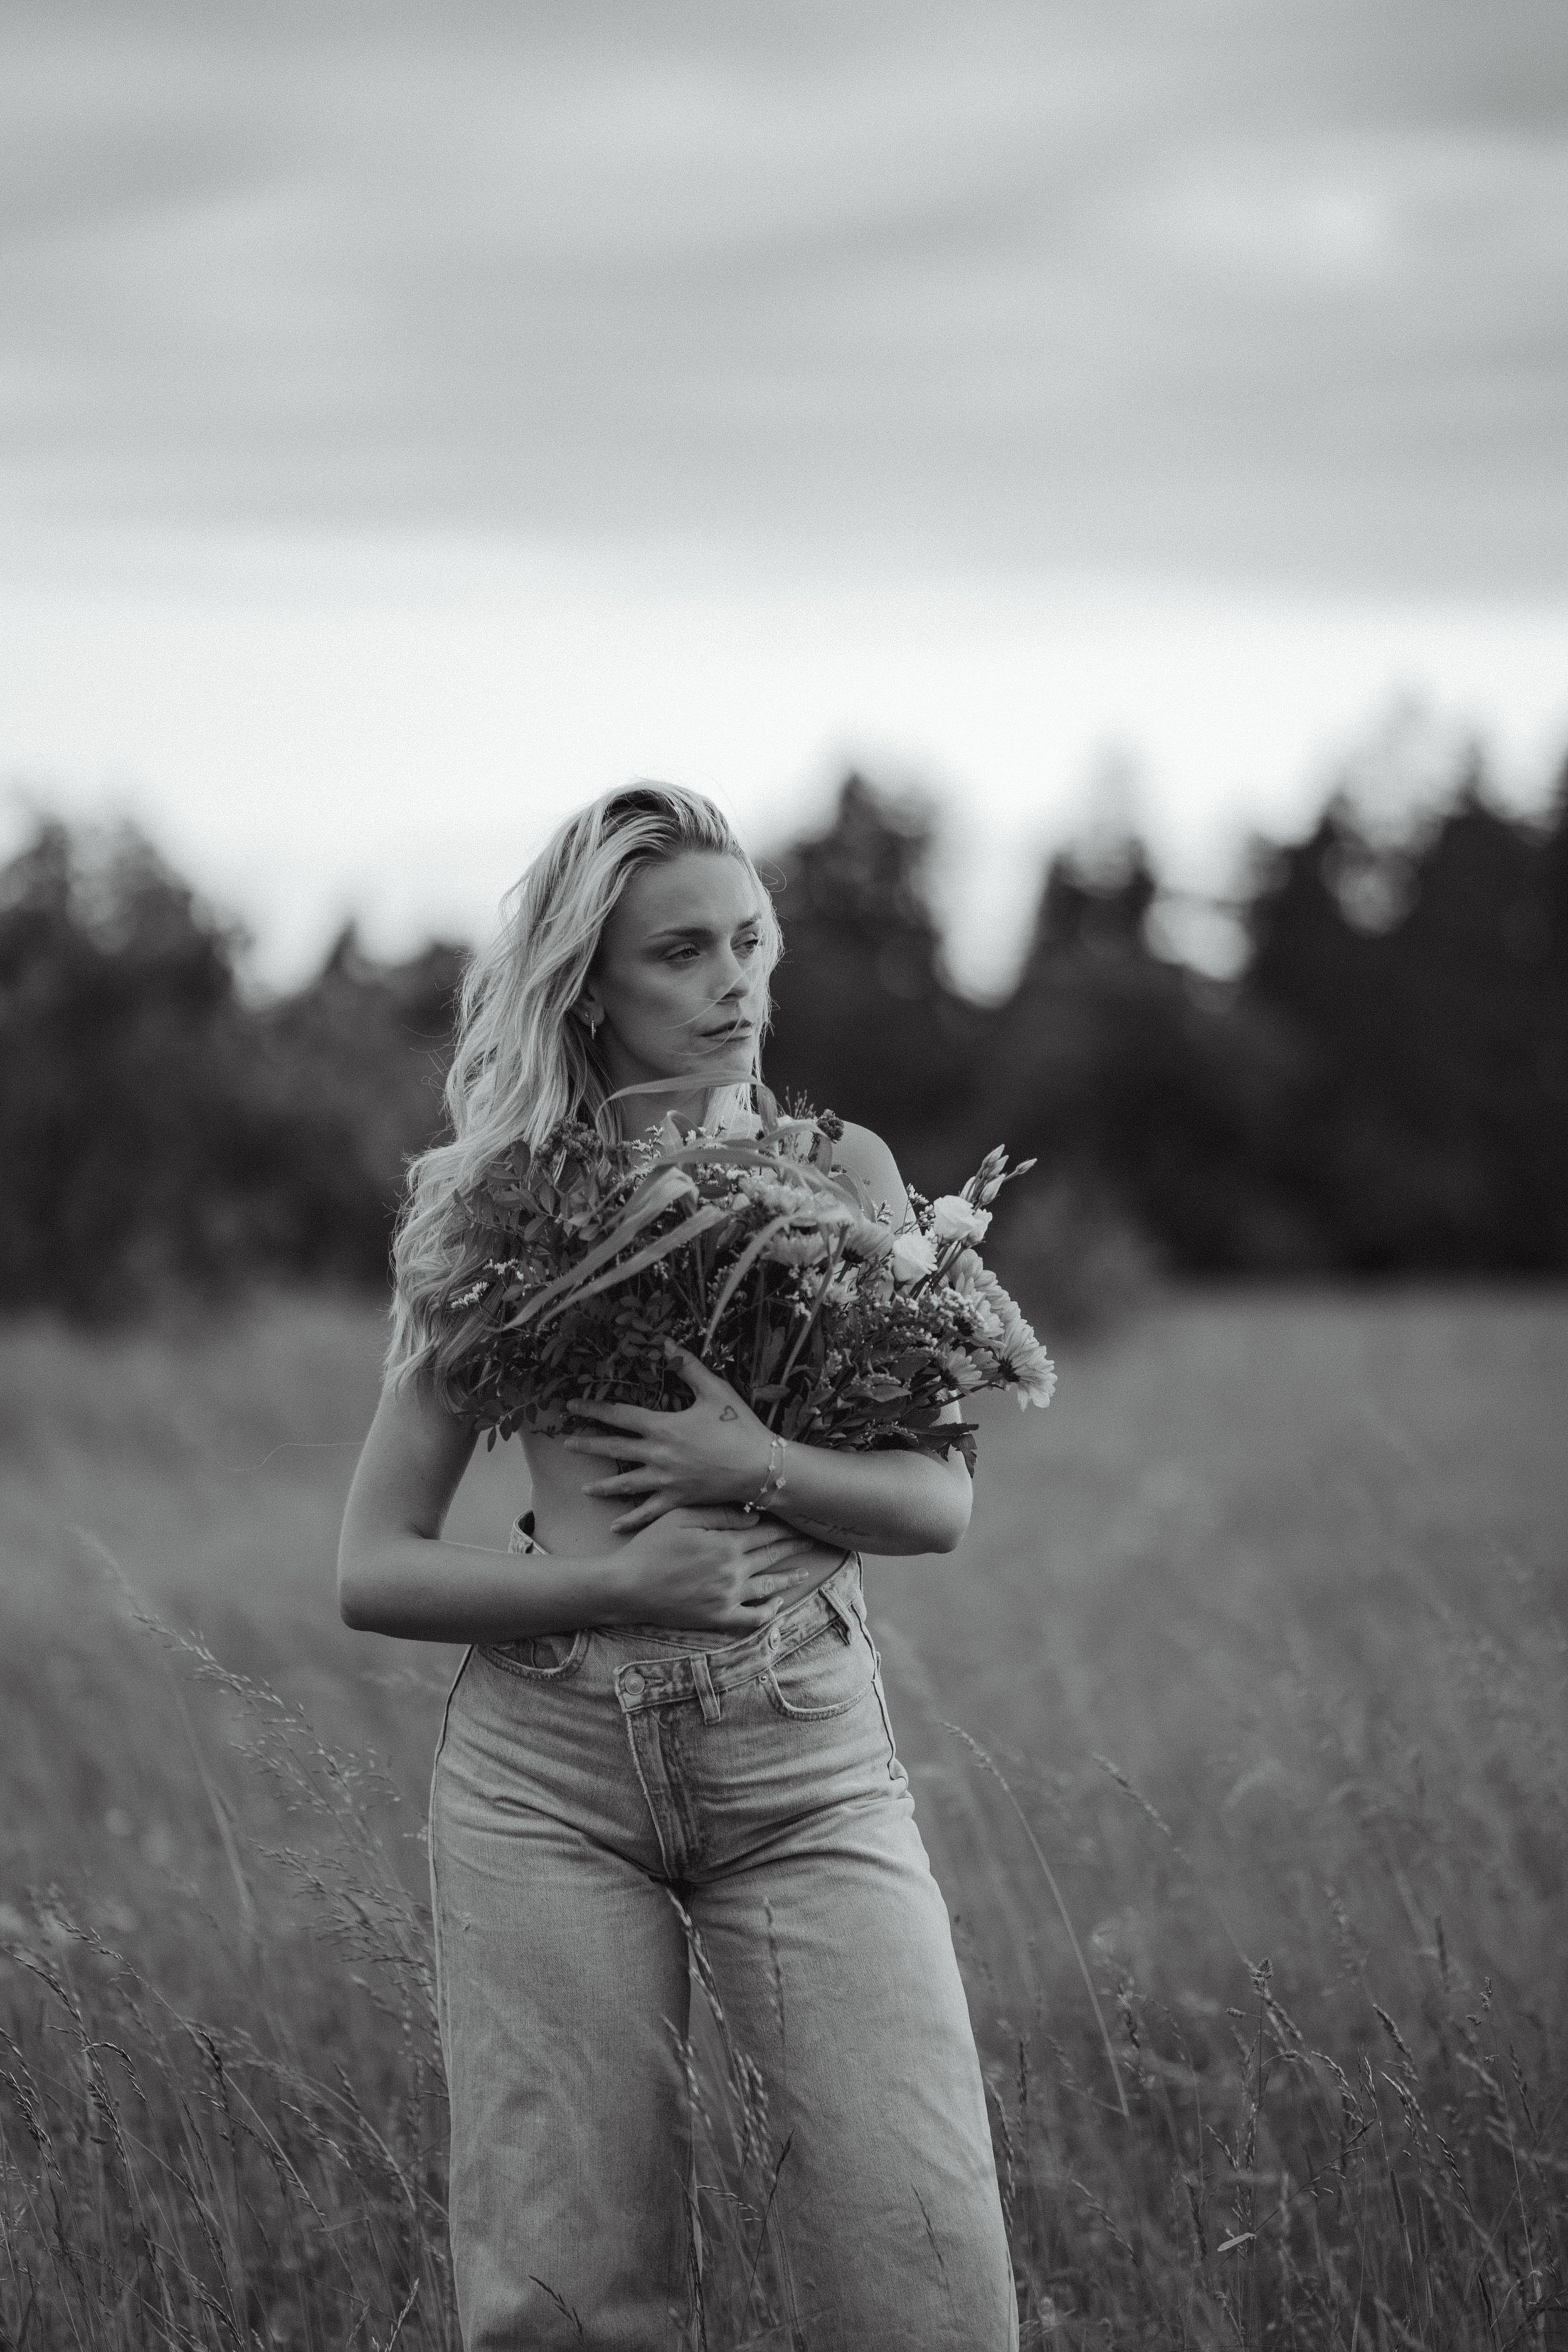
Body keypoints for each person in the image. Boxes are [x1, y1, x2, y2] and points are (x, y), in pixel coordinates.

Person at [338, 783, 1017, 2350]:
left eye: (751, 943)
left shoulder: (840, 1172)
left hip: (802, 1759)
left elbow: (935, 1504)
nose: (735, 986)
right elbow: (372, 1566)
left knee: (922, 2273)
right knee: (568, 2307)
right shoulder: (498, 1210)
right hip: (541, 1779)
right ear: (590, 987)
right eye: (683, 955)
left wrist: (751, 1470)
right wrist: (615, 1588)